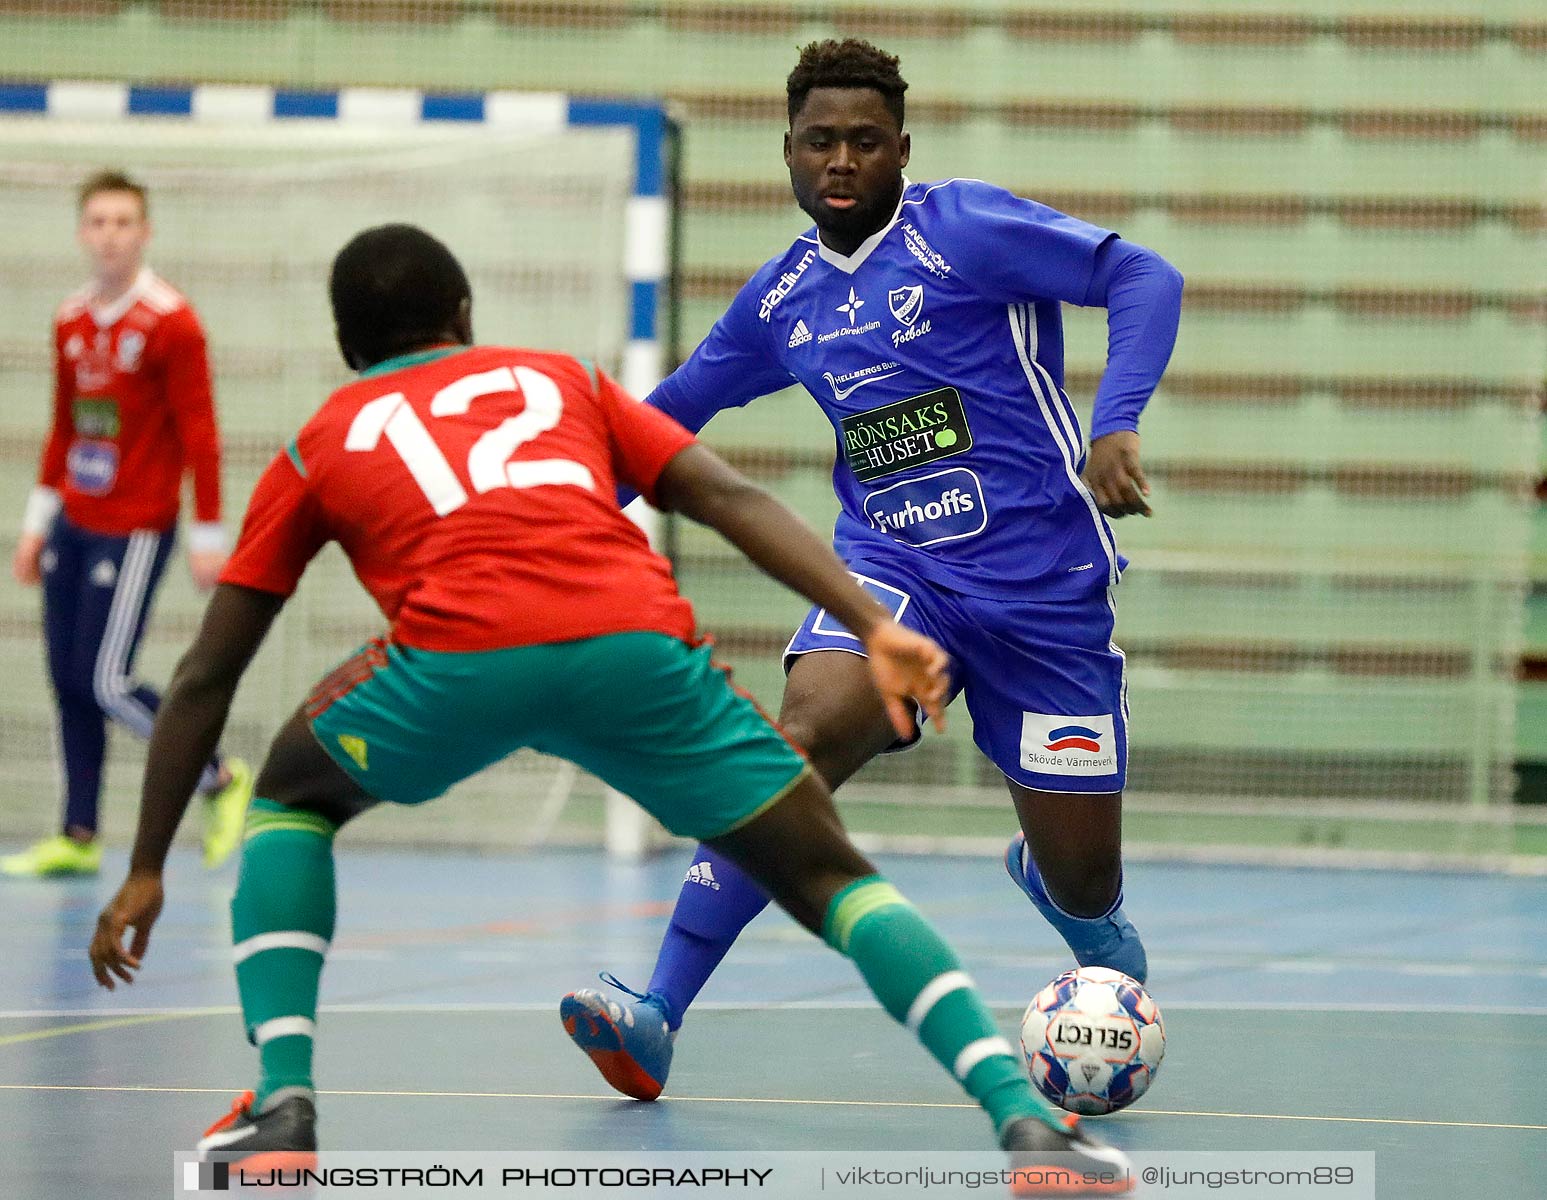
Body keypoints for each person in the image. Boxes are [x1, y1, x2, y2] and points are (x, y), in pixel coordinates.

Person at [86, 225, 1133, 1191]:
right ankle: (1026, 1126)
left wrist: (143, 868)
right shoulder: (561, 381)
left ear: (347, 344)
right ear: (462, 316)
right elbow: (728, 498)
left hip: (453, 662)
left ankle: (282, 1112)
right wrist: (873, 623)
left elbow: (201, 680)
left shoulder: (326, 434)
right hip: (632, 648)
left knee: (290, 801)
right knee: (829, 874)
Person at [562, 38, 1184, 1103]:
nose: (839, 160)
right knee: (794, 745)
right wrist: (557, 520)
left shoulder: (965, 231)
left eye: (862, 141)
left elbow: (1141, 273)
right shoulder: (782, 301)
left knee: (1087, 883)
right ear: (788, 154)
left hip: (1043, 596)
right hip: (890, 579)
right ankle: (653, 1011)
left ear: (902, 148)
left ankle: (1062, 888)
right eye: (818, 142)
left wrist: (1113, 424)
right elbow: (663, 420)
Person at [5, 169, 251, 878]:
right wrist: (34, 525)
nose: (110, 234)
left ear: (144, 233)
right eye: (98, 221)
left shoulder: (172, 320)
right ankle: (78, 833)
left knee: (105, 677)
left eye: (123, 222)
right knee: (66, 677)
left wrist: (209, 535)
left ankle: (220, 778)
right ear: (81, 232)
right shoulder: (70, 319)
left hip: (137, 526)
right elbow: (63, 429)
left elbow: (201, 433)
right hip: (73, 523)